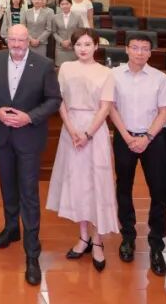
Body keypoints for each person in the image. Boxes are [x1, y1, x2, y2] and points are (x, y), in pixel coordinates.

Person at [0, 24, 62, 286]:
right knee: (7, 186)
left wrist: (29, 117)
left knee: (29, 193)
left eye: (21, 40)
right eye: (12, 40)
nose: (16, 45)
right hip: (2, 135)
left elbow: (54, 100)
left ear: (29, 41)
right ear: (7, 40)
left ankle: (32, 252)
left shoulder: (44, 65)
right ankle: (11, 228)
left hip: (29, 137)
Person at [45, 28, 117, 273]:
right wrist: (72, 129)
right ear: (73, 47)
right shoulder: (66, 68)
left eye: (88, 44)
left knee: (97, 184)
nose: (83, 49)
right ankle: (83, 236)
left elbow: (105, 108)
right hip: (71, 129)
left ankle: (98, 241)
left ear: (96, 46)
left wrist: (87, 134)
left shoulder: (106, 72)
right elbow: (60, 101)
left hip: (94, 132)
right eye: (78, 45)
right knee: (77, 185)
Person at [109, 33, 166, 276]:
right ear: (126, 49)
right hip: (124, 137)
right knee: (123, 187)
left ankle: (156, 244)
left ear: (151, 52)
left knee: (159, 190)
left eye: (144, 48)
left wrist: (146, 138)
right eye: (135, 48)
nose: (139, 52)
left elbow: (164, 112)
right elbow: (111, 108)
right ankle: (127, 236)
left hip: (153, 139)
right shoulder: (114, 75)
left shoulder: (160, 78)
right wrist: (127, 137)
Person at [50, 0, 86, 65]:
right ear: (59, 5)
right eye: (62, 4)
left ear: (71, 4)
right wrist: (61, 41)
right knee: (60, 67)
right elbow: (54, 32)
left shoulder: (77, 17)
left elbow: (81, 31)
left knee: (73, 67)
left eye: (67, 4)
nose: (65, 6)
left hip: (73, 47)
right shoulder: (55, 17)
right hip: (60, 48)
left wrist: (69, 41)